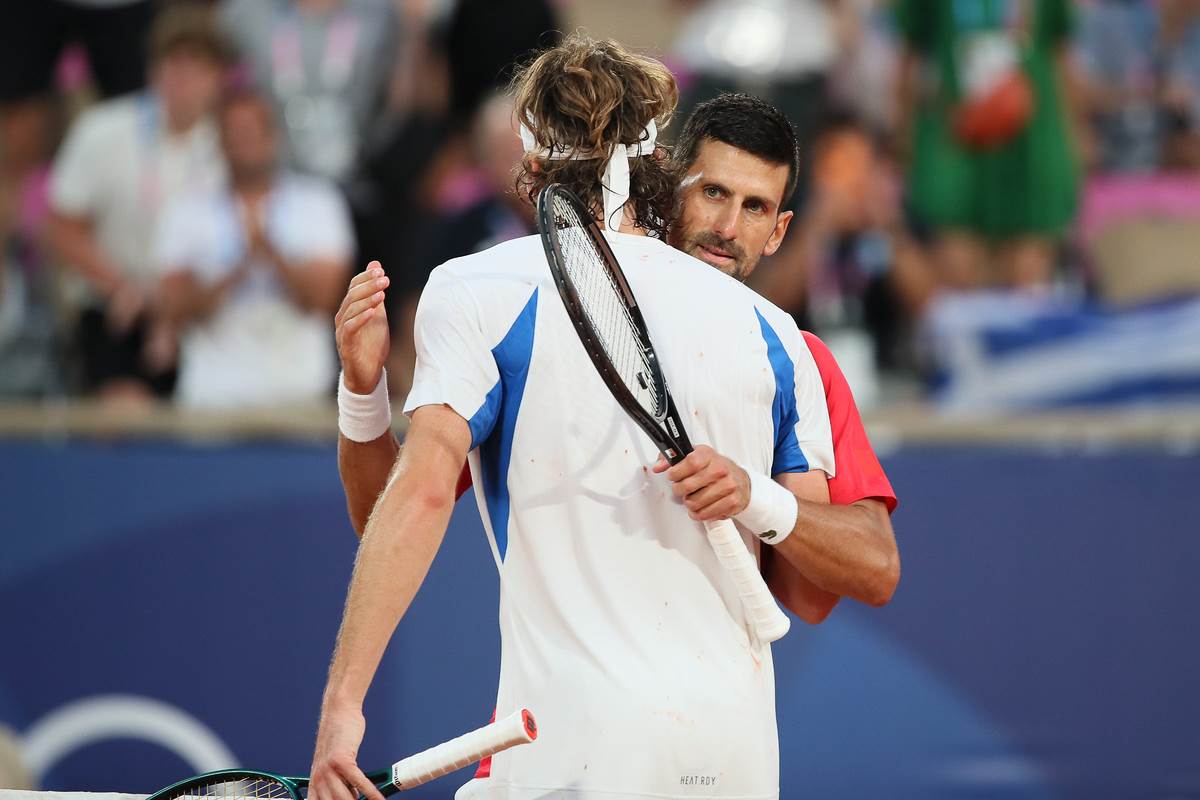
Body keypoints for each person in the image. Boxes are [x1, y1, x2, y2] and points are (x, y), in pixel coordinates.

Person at [310, 36, 841, 800]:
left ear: (530, 166)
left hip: (577, 748)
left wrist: (343, 705)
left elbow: (415, 498)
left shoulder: (475, 289)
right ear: (658, 163)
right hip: (737, 753)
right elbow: (808, 557)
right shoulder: (777, 334)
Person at [335, 92, 900, 620]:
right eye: (713, 193)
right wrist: (363, 394)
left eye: (755, 208)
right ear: (669, 186)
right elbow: (380, 519)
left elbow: (840, 584)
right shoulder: (537, 323)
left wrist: (758, 499)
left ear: (778, 232)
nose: (728, 228)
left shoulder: (799, 359)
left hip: (720, 711)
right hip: (552, 713)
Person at [47, 3, 231, 402]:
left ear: (217, 77)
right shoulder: (104, 131)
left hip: (196, 316)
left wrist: (171, 312)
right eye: (172, 61)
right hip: (115, 307)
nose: (181, 77)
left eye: (195, 64)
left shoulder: (225, 149)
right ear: (153, 67)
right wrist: (122, 287)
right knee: (124, 411)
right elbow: (61, 226)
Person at [154, 89, 352, 408]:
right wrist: (238, 267)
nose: (245, 141)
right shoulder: (187, 210)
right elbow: (174, 307)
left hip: (300, 394)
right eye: (235, 132)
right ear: (219, 142)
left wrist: (271, 253)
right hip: (212, 398)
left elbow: (323, 300)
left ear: (272, 136)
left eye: (253, 130)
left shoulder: (320, 202)